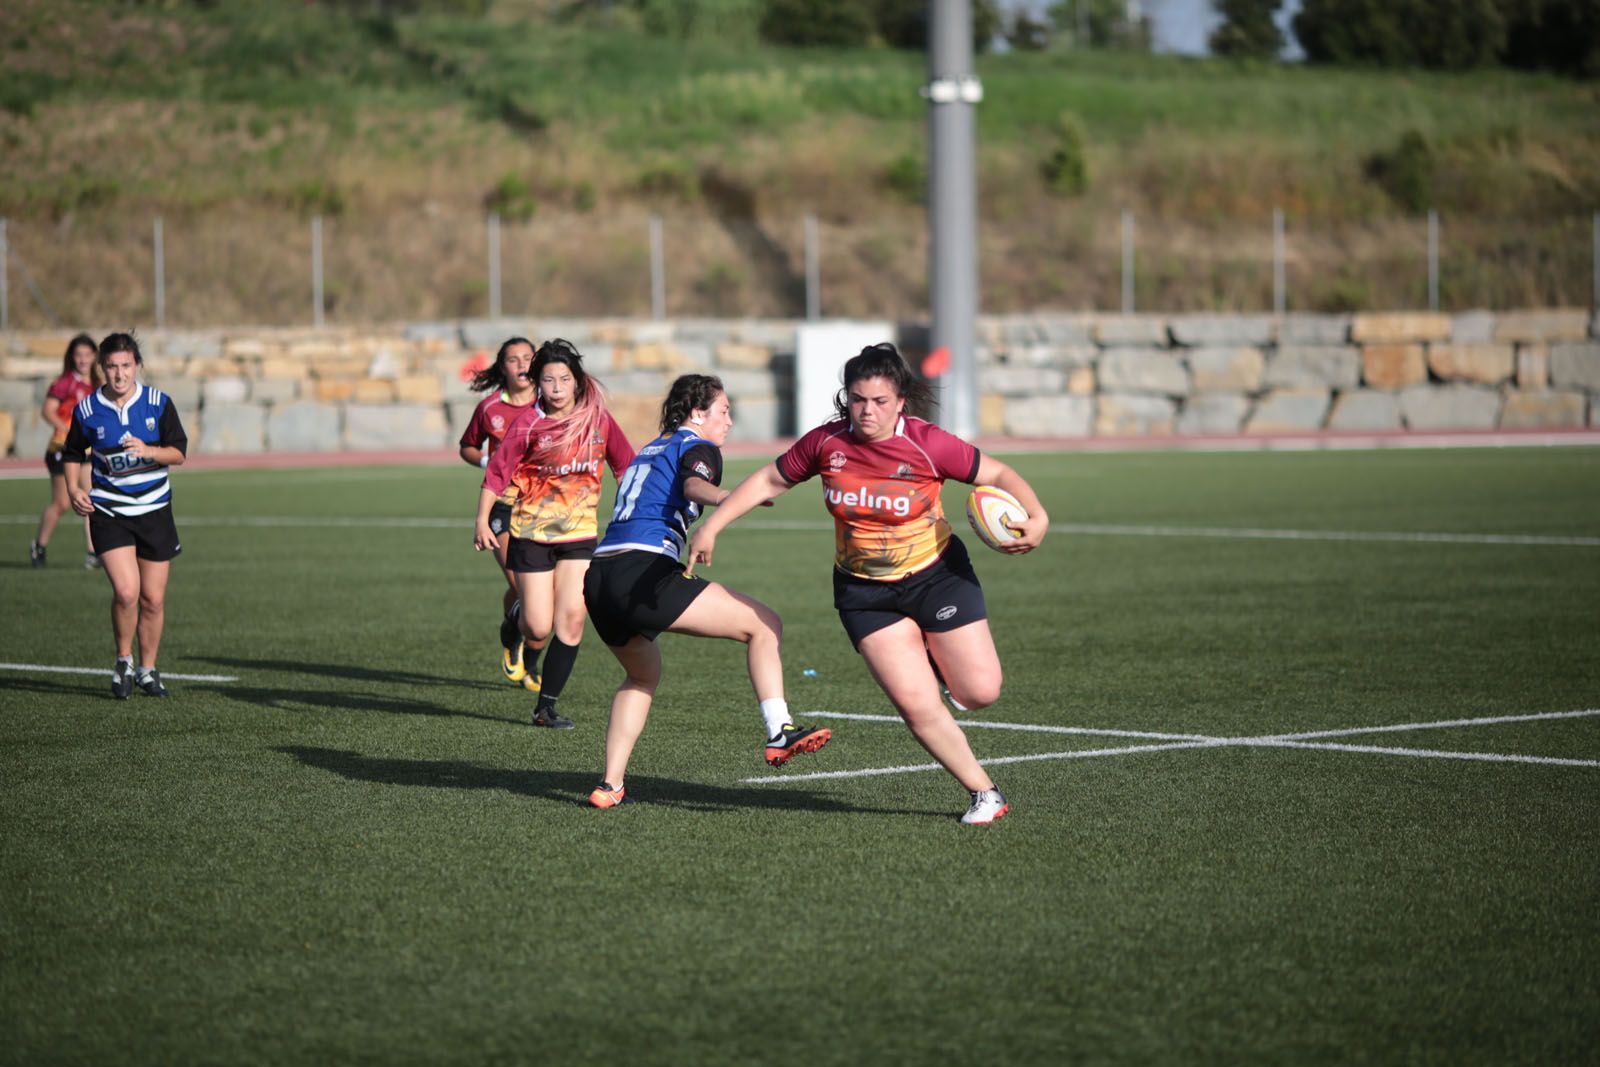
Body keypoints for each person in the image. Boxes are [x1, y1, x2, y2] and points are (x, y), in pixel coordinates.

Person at [687, 343, 1049, 825]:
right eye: (858, 399)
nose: (868, 411)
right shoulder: (826, 443)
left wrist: (1038, 514)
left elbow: (997, 471)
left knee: (981, 691)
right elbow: (769, 481)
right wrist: (713, 526)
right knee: (916, 706)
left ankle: (939, 664)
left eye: (880, 402)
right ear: (847, 398)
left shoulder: (927, 443)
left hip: (937, 577)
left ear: (901, 401)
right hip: (865, 594)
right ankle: (985, 792)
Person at [582, 374, 831, 808]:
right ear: (697, 413)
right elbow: (692, 486)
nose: (730, 421)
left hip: (599, 577)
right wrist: (725, 496)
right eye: (724, 410)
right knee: (764, 624)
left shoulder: (650, 448)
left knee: (642, 675)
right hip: (642, 570)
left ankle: (611, 783)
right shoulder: (699, 447)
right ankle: (780, 730)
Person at [473, 339, 634, 728]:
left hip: (578, 535)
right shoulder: (527, 424)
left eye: (564, 379)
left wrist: (633, 509)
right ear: (538, 384)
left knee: (573, 620)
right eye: (549, 380)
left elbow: (625, 465)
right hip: (530, 535)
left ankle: (545, 707)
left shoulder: (598, 420)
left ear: (577, 381)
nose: (558, 387)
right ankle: (516, 620)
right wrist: (481, 520)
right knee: (538, 626)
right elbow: (496, 474)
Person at [60, 332, 188, 700]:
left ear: (137, 367)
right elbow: (72, 453)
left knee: (153, 599)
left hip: (155, 512)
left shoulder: (158, 403)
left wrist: (149, 450)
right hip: (109, 511)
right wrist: (73, 490)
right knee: (127, 592)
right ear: (102, 368)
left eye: (126, 366)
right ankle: (123, 661)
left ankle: (148, 669)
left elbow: (178, 454)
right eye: (112, 366)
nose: (119, 374)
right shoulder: (87, 409)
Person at [457, 337, 539, 678]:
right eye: (513, 359)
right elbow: (467, 447)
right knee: (524, 587)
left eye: (527, 358)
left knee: (537, 591)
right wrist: (489, 461)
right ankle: (520, 649)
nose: (521, 365)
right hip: (502, 506)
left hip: (543, 508)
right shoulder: (490, 408)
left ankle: (515, 631)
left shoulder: (552, 404)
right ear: (502, 367)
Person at [30, 333, 101, 569]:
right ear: (72, 357)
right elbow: (48, 410)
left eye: (87, 355)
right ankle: (39, 545)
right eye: (79, 355)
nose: (83, 359)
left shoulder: (98, 384)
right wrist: (69, 430)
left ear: (94, 356)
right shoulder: (65, 382)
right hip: (61, 449)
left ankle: (93, 553)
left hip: (87, 451)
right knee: (61, 502)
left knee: (90, 499)